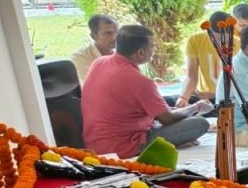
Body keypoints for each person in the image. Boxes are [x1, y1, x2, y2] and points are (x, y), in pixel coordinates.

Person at [81, 25, 210, 158]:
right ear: (140, 53)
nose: (153, 51)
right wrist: (197, 107)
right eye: (152, 47)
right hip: (124, 146)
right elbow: (168, 119)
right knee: (199, 123)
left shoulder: (99, 62)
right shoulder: (139, 81)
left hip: (94, 143)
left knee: (170, 104)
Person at [175, 11, 241, 112]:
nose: (221, 42)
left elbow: (240, 84)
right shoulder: (195, 40)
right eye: (216, 39)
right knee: (171, 103)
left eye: (225, 38)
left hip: (231, 99)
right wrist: (183, 98)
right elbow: (191, 77)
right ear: (209, 31)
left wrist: (214, 94)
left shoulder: (239, 44)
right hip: (203, 98)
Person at [71, 15, 118, 84]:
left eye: (117, 32)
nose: (115, 37)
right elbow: (91, 87)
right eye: (108, 33)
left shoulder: (123, 54)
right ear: (94, 36)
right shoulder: (80, 58)